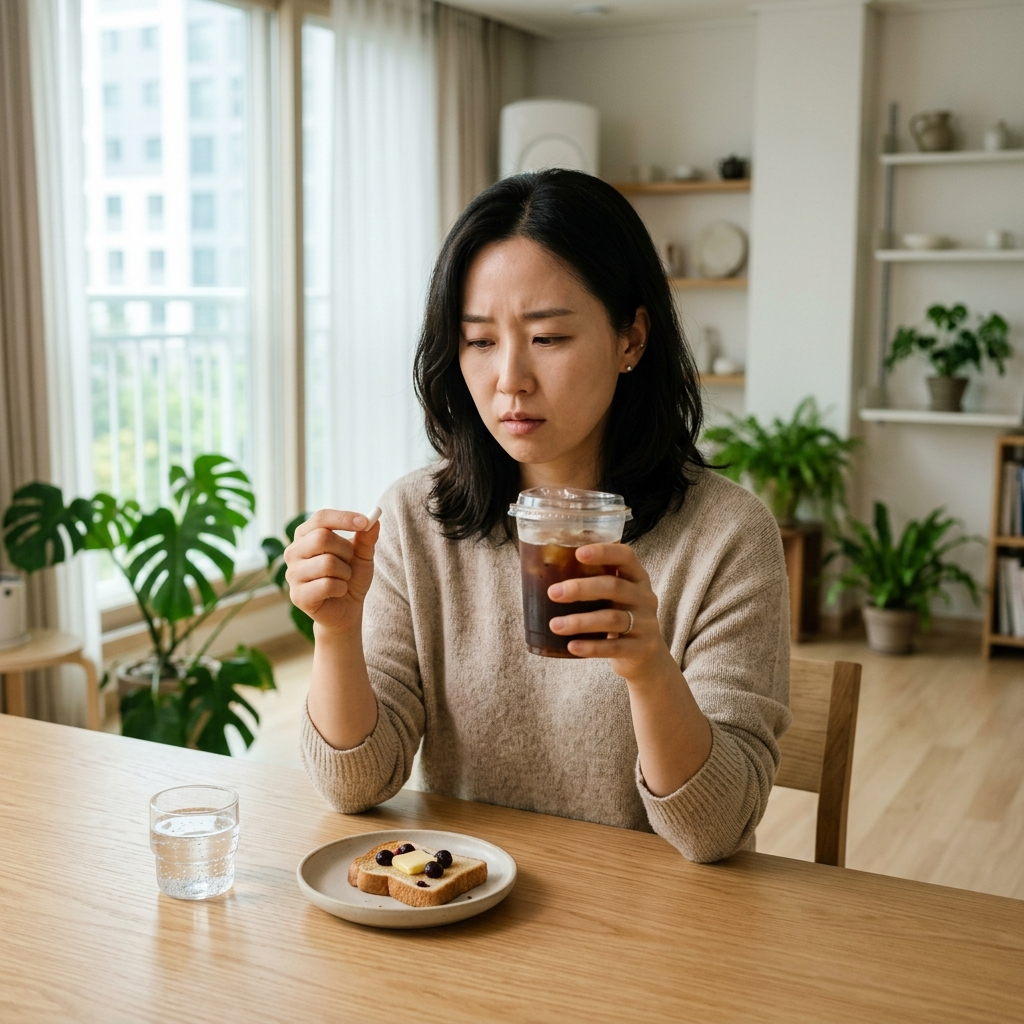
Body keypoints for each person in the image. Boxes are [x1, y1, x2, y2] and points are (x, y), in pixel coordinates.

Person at [286, 169, 790, 863]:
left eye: (548, 338)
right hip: (461, 915)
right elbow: (355, 786)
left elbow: (715, 831)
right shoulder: (415, 517)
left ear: (631, 339)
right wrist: (335, 634)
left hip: (654, 936)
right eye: (480, 341)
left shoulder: (726, 536)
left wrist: (648, 668)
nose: (509, 379)